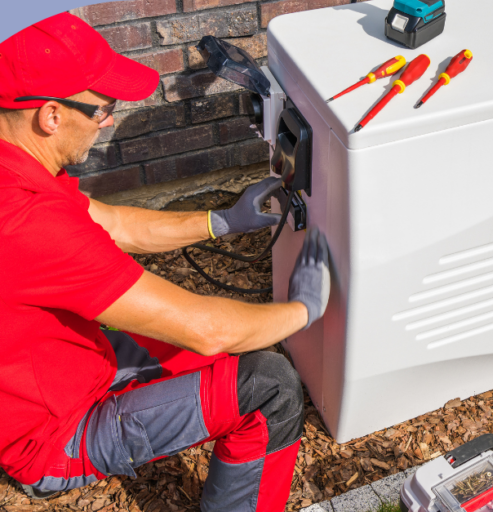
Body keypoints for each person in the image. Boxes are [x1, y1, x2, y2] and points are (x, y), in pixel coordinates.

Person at [0, 12, 331, 512]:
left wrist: (221, 221)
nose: (107, 121)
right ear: (50, 115)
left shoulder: (18, 167)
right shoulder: (26, 220)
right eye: (102, 108)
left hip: (68, 367)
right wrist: (305, 310)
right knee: (270, 387)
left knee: (223, 354)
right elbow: (208, 330)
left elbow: (114, 223)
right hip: (52, 435)